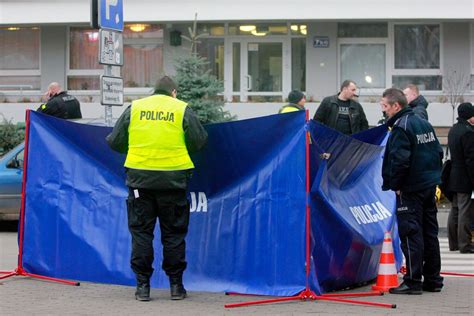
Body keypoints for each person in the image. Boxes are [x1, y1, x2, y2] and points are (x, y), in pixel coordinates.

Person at [106, 76, 208, 301]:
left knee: (141, 233)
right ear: (173, 92)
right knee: (173, 234)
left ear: (153, 92)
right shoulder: (181, 109)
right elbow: (199, 141)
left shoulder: (136, 108)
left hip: (139, 182)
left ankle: (142, 287)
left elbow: (114, 141)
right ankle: (176, 287)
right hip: (173, 182)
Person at [380, 88, 444, 295]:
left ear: (396, 106)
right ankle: (433, 279)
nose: (384, 111)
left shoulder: (401, 127)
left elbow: (399, 161)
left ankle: (413, 281)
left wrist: (396, 185)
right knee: (429, 233)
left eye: (385, 106)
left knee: (410, 234)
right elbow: (438, 152)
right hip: (427, 186)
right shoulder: (424, 123)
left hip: (410, 189)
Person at [447, 102, 474, 254]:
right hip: (465, 177)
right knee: (465, 210)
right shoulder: (468, 132)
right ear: (470, 116)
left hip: (454, 175)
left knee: (455, 209)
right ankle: (465, 244)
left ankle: (454, 243)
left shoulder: (453, 130)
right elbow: (471, 159)